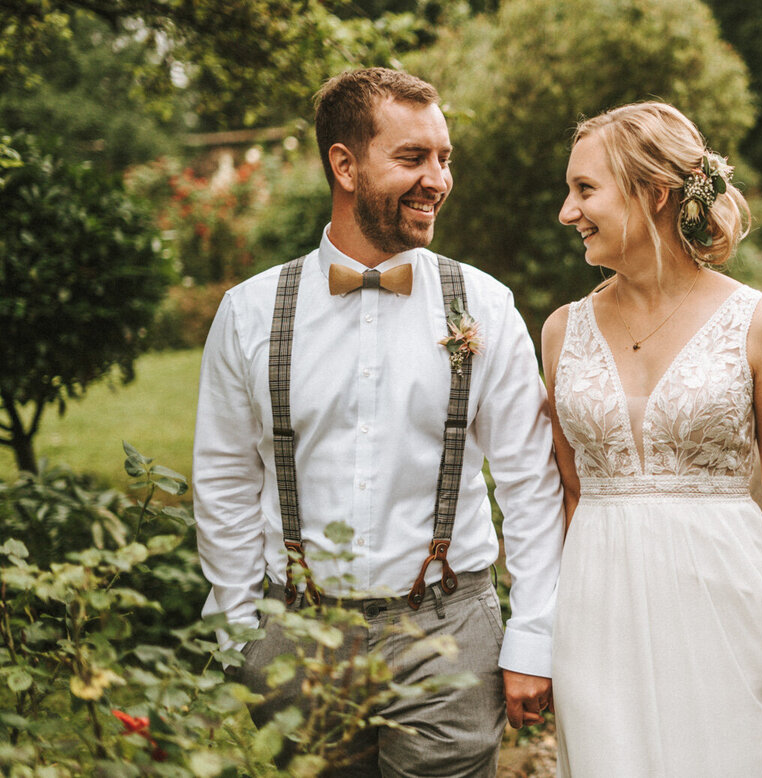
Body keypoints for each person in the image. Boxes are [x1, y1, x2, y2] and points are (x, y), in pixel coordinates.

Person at [192, 67, 563, 776]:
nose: (438, 180)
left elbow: (530, 485)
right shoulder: (250, 311)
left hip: (447, 632)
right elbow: (224, 477)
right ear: (345, 165)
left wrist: (533, 638)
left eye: (445, 158)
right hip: (296, 633)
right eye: (413, 158)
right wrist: (239, 629)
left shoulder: (483, 305)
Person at [542, 102, 762, 776]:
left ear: (653, 193)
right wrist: (546, 629)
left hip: (730, 604)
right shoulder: (562, 331)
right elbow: (569, 492)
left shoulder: (760, 324)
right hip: (600, 615)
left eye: (585, 189)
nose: (567, 211)